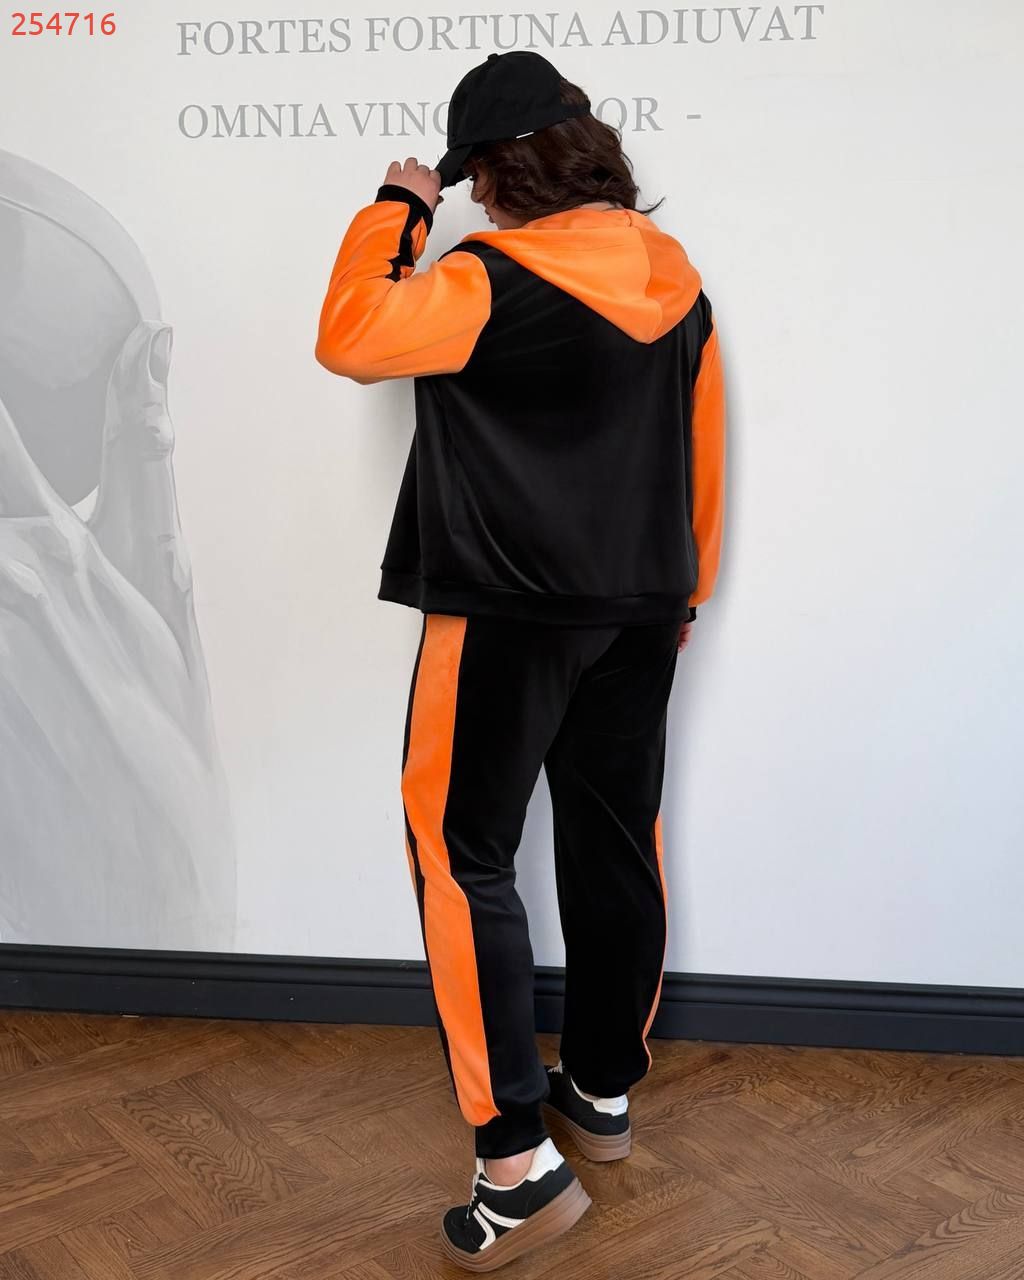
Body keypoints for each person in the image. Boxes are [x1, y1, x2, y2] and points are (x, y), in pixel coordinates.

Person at [315, 49, 726, 1272]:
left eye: (475, 179)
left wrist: (397, 207)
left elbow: (351, 335)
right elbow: (702, 440)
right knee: (614, 839)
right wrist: (684, 590)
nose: (476, 200)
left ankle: (514, 1163)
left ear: (497, 171)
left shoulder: (481, 280)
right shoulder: (675, 276)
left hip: (503, 609)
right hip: (641, 604)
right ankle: (597, 1092)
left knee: (460, 853)